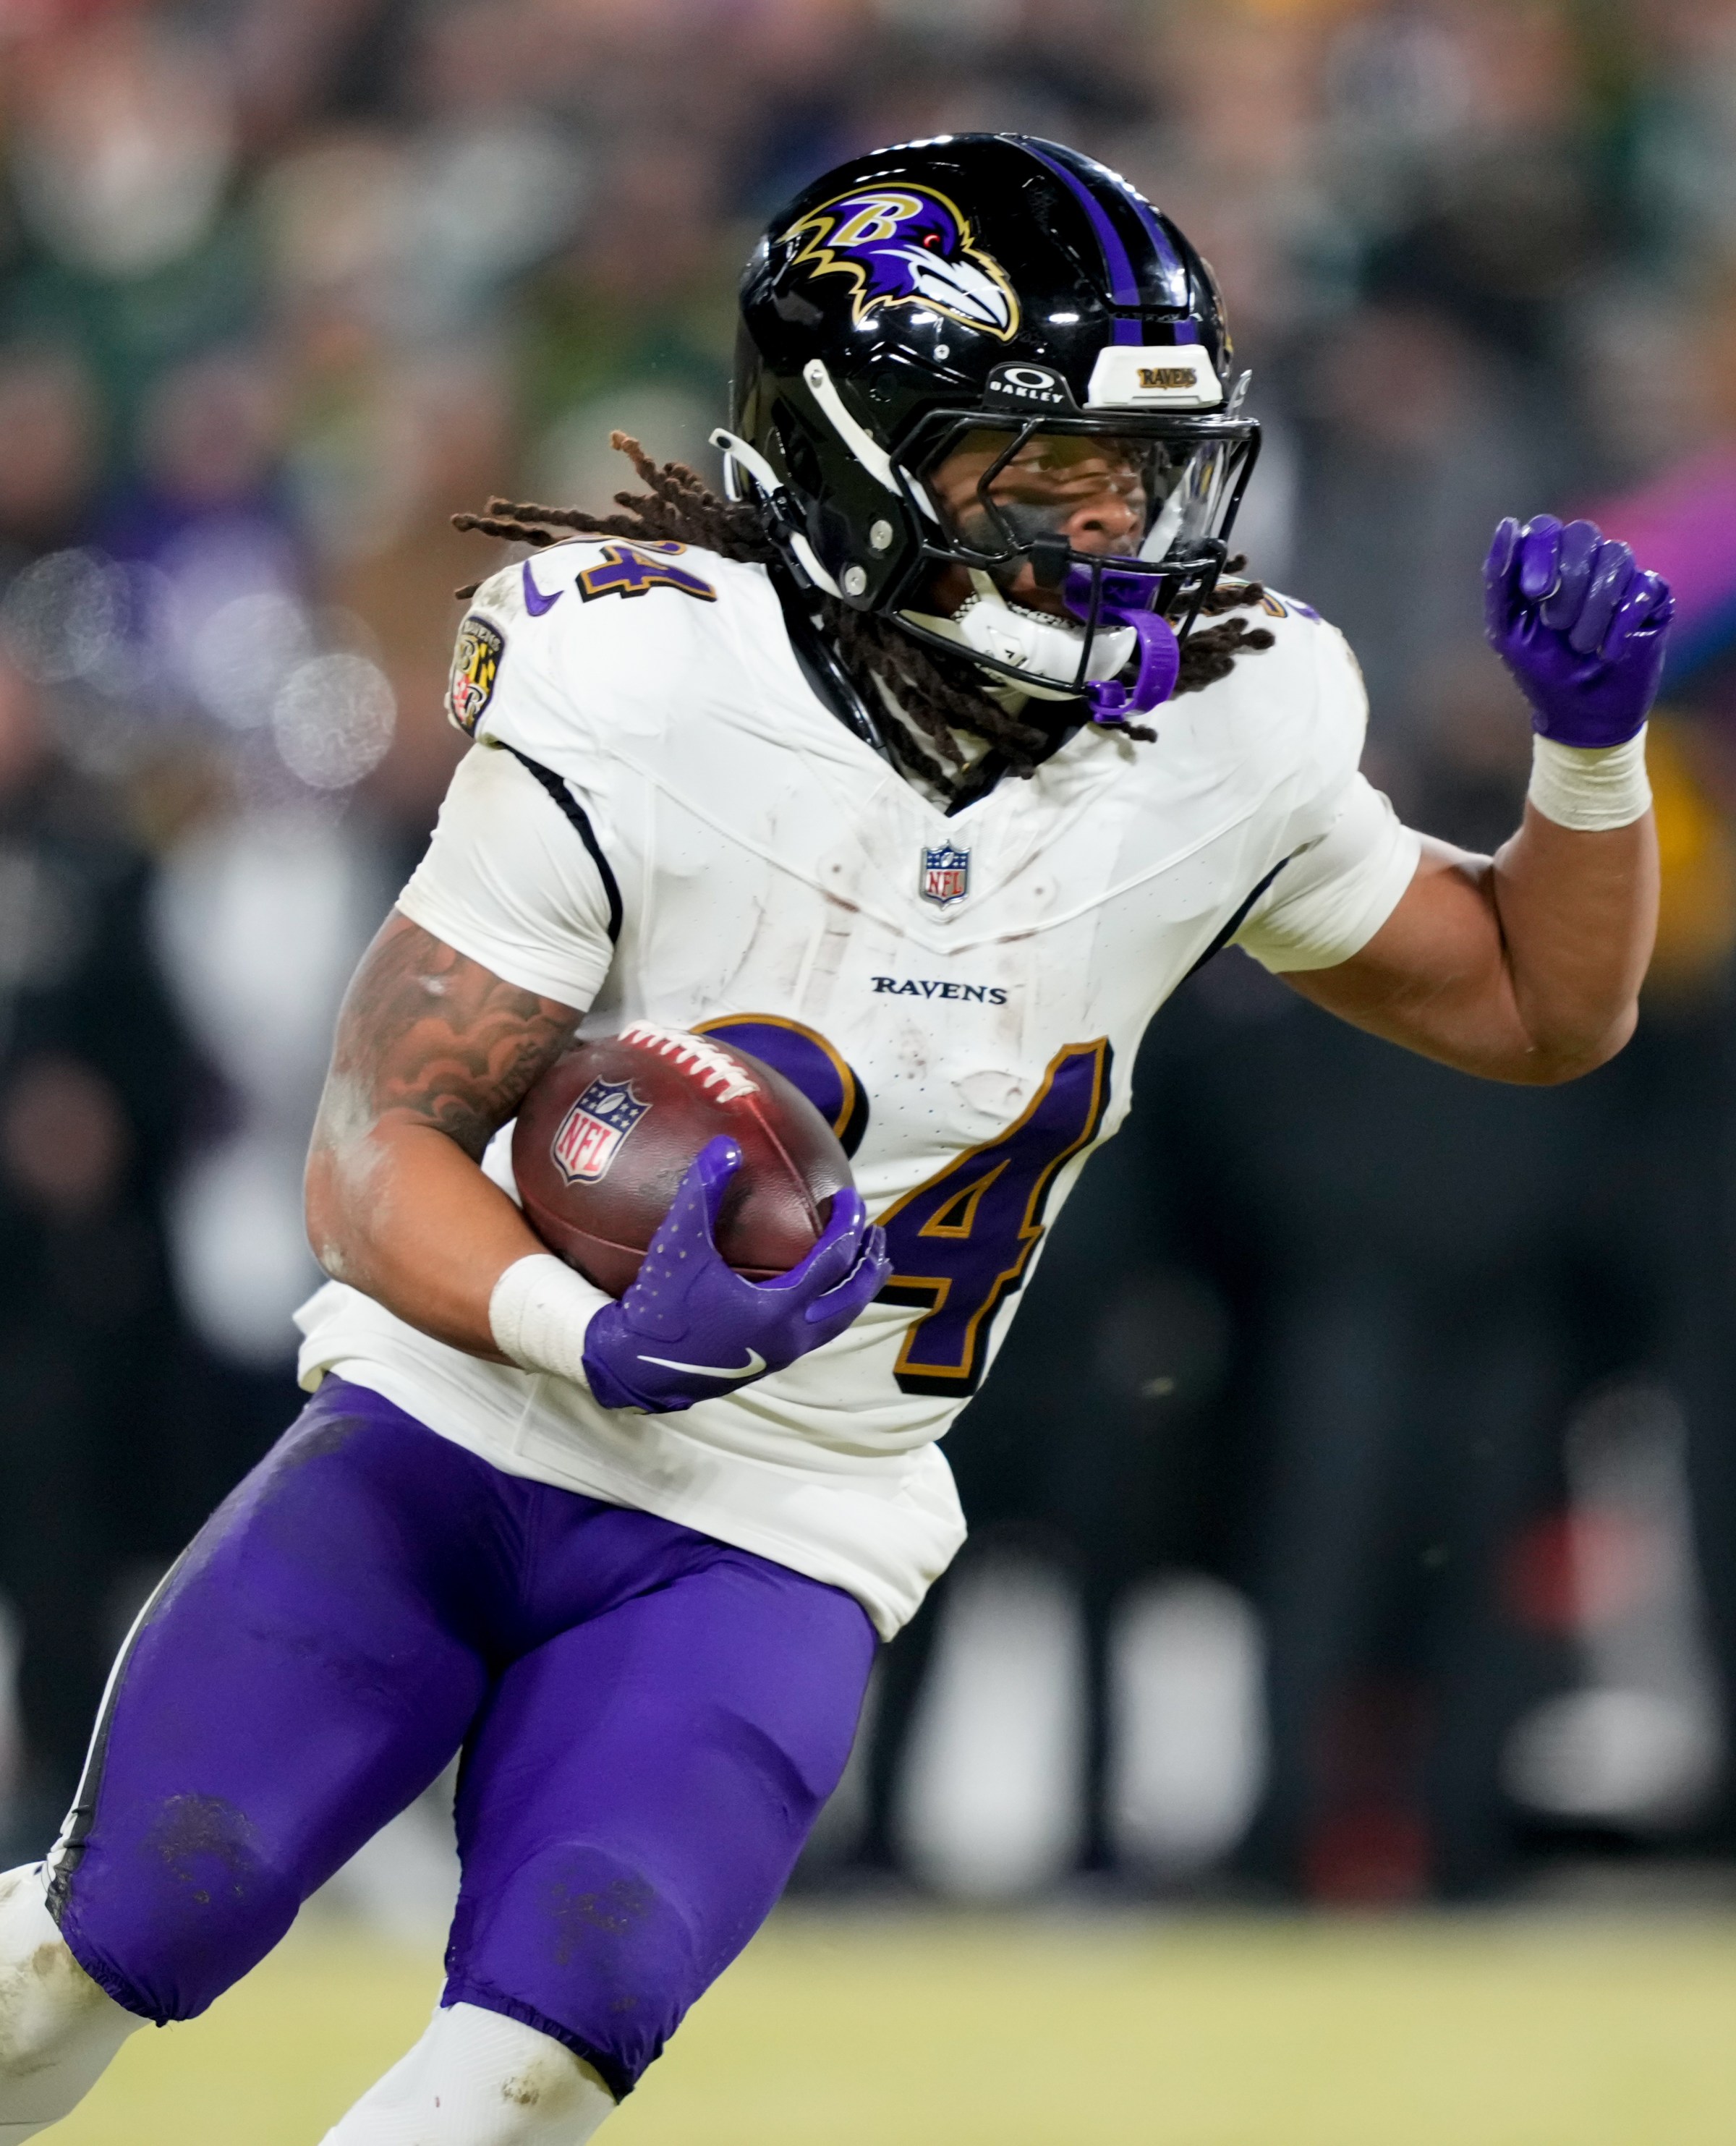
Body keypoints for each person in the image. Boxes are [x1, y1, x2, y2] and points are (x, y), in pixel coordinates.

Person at [0, 134, 1669, 2144]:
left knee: (546, 2046)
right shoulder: (645, 681)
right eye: (1037, 464)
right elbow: (372, 1158)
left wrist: (1590, 763)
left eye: (1136, 468)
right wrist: (575, 1331)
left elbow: (1537, 1004)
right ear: (857, 447)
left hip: (784, 1513)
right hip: (456, 1434)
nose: (1113, 518)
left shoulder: (1225, 728)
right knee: (112, 1938)